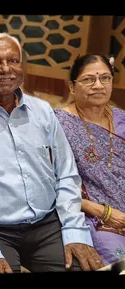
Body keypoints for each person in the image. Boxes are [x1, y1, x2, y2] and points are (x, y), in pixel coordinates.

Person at [0, 34, 104, 274]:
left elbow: (66, 174)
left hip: (47, 224)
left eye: (13, 60)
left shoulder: (42, 111)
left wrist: (74, 232)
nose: (5, 69)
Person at [55, 54, 125, 266]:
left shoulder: (122, 118)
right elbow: (49, 183)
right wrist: (103, 212)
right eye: (88, 79)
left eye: (105, 78)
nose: (98, 85)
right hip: (95, 217)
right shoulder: (57, 124)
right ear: (72, 87)